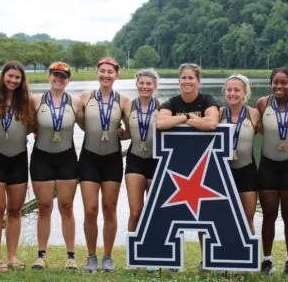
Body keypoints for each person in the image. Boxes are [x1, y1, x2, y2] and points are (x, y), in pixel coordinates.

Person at [156, 62, 219, 271]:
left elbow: (211, 123)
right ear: (179, 80)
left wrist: (184, 120)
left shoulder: (207, 100)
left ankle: (206, 260)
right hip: (176, 166)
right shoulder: (172, 102)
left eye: (191, 78)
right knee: (175, 213)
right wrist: (187, 116)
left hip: (203, 166)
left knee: (204, 214)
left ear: (198, 81)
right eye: (183, 78)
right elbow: (161, 123)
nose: (187, 81)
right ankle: (174, 260)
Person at [78, 58, 130, 272]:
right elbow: (78, 122)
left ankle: (107, 256)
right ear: (96, 72)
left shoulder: (124, 101)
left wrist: (122, 133)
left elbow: (131, 130)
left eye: (110, 72)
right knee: (90, 210)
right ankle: (91, 256)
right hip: (89, 158)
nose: (106, 75)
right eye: (102, 71)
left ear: (116, 75)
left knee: (110, 209)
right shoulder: (84, 97)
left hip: (112, 159)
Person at [29, 61, 82, 270]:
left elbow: (93, 124)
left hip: (67, 158)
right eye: (55, 75)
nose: (59, 79)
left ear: (68, 80)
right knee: (44, 207)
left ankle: (71, 256)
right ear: (48, 76)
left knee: (67, 207)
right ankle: (41, 255)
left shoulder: (76, 102)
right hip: (42, 158)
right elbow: (20, 123)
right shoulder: (35, 101)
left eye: (63, 76)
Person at [0, 60, 34, 272]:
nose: (13, 80)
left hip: (19, 159)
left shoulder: (28, 102)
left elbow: (35, 126)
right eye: (9, 76)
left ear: (22, 81)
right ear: (3, 76)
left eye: (17, 77)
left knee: (15, 211)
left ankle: (12, 256)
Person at [256, 68, 288, 276]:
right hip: (267, 166)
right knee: (268, 214)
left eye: (284, 83)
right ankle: (267, 260)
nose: (279, 86)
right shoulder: (262, 103)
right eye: (275, 82)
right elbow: (255, 128)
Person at [219, 74, 259, 234]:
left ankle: (249, 257)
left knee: (248, 218)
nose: (232, 93)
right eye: (229, 90)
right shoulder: (218, 113)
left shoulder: (254, 113)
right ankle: (221, 255)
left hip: (247, 170)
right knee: (223, 218)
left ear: (245, 93)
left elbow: (272, 133)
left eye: (237, 90)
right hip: (223, 172)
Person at [123, 69, 161, 233]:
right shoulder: (127, 106)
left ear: (154, 86)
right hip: (135, 160)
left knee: (155, 212)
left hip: (157, 161)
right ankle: (132, 252)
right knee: (136, 212)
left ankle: (155, 250)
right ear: (137, 84)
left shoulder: (163, 106)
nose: (145, 86)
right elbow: (127, 133)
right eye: (141, 83)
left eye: (148, 83)